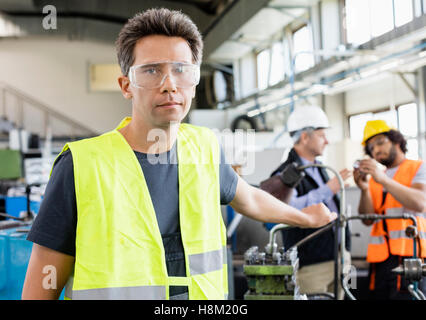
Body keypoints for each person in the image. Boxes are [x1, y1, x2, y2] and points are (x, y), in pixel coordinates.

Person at [21, 8, 335, 300]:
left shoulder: (204, 148)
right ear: (126, 85)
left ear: (195, 82)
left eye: (181, 70)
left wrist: (303, 217)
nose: (170, 85)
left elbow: (249, 198)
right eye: (151, 71)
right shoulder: (81, 164)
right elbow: (42, 282)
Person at [265, 105, 352, 299]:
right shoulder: (284, 174)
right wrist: (328, 189)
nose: (327, 141)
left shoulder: (319, 168)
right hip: (311, 265)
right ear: (305, 137)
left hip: (337, 257)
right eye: (322, 135)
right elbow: (284, 212)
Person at [353, 119, 426, 300]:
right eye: (371, 148)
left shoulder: (418, 167)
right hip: (381, 259)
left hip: (410, 256)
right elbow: (368, 219)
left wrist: (383, 180)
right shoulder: (377, 178)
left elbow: (419, 202)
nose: (376, 150)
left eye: (380, 142)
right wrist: (364, 189)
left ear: (396, 141)